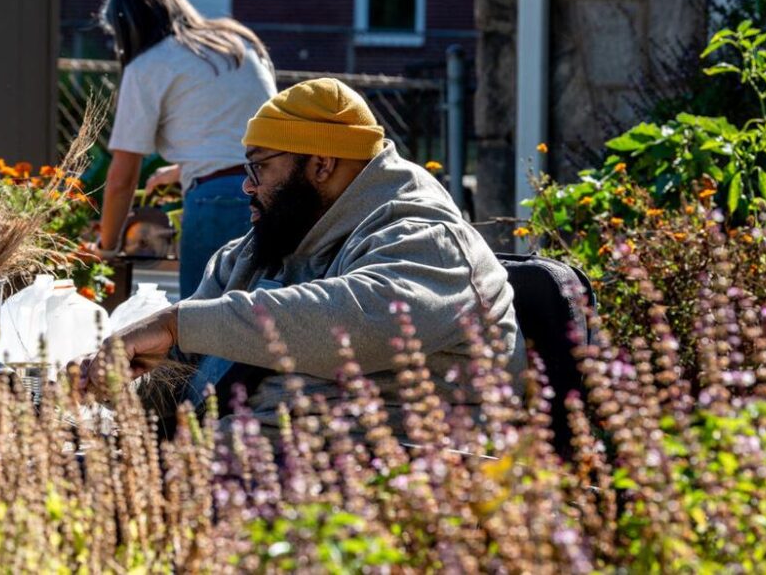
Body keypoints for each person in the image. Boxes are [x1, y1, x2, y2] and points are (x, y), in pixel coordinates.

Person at [79, 78, 523, 437]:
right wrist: (118, 390)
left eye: (259, 167)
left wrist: (179, 323)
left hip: (394, 486)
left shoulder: (428, 240)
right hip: (248, 460)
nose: (246, 186)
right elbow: (183, 366)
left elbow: (359, 322)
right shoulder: (263, 250)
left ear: (322, 165)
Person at [95, 0, 277, 298]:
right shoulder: (239, 43)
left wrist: (105, 248)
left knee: (201, 328)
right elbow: (239, 136)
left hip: (217, 201)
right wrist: (179, 171)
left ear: (129, 28)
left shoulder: (149, 64)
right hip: (280, 194)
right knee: (262, 322)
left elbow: (123, 176)